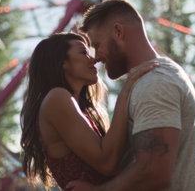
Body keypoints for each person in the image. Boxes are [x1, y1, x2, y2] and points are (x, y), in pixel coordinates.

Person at [67, 0, 195, 191]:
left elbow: (154, 172)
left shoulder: (155, 83)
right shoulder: (152, 78)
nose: (95, 56)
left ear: (118, 32)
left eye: (97, 44)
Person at [20, 32, 158, 190]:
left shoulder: (74, 107)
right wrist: (125, 92)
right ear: (62, 62)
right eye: (84, 53)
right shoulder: (57, 98)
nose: (94, 59)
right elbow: (107, 163)